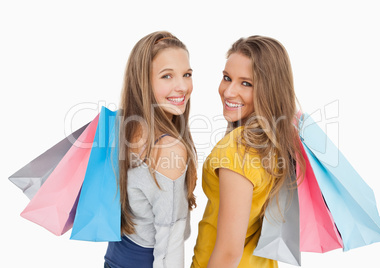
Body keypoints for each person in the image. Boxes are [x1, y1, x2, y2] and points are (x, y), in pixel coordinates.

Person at [191, 36, 305, 268]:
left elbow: (228, 253)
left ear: (269, 90)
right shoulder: (277, 142)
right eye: (227, 78)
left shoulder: (237, 148)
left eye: (246, 83)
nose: (229, 91)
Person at [104, 31, 197, 268]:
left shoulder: (119, 126)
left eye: (187, 74)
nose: (182, 86)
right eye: (167, 76)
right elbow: (168, 252)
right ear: (143, 82)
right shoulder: (169, 148)